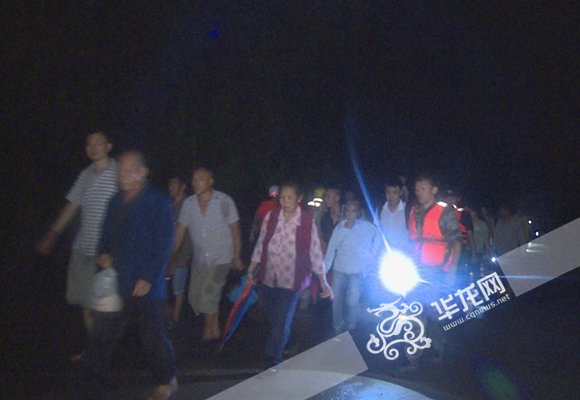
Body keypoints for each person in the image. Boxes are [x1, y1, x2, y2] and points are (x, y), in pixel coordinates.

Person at [83, 151, 177, 400]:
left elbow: (164, 243)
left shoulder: (158, 201)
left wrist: (149, 277)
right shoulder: (115, 201)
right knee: (102, 334)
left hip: (145, 284)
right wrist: (103, 253)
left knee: (152, 337)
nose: (120, 175)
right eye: (119, 170)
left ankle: (166, 381)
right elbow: (106, 234)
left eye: (127, 170)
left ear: (142, 172)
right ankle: (90, 384)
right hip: (118, 280)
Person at [35, 131, 118, 360]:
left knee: (104, 304)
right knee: (86, 303)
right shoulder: (85, 175)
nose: (93, 147)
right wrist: (53, 233)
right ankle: (95, 349)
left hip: (107, 251)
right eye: (89, 144)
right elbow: (72, 206)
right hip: (83, 248)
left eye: (98, 143)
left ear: (108, 146)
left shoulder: (119, 172)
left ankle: (104, 350)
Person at [248, 183, 333, 368]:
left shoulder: (306, 221)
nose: (284, 201)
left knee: (280, 324)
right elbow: (261, 243)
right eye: (282, 197)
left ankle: (272, 360)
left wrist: (323, 282)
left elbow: (315, 252)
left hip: (292, 282)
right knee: (275, 320)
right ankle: (286, 338)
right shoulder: (271, 217)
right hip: (268, 278)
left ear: (298, 199)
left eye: (289, 198)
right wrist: (251, 268)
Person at [173, 167, 244, 342]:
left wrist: (236, 257)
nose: (196, 183)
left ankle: (209, 331)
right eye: (194, 179)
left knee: (208, 294)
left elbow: (235, 231)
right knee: (195, 297)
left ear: (210, 181)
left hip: (221, 258)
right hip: (200, 258)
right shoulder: (189, 204)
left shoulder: (224, 201)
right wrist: (169, 255)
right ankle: (215, 322)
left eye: (201, 179)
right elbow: (180, 231)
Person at [406, 173, 462, 366]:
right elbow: (411, 239)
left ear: (433, 190)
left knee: (435, 313)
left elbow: (456, 242)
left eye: (423, 188)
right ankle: (413, 356)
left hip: (437, 270)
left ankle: (438, 348)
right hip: (416, 270)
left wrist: (452, 270)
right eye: (417, 188)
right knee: (414, 312)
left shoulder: (444, 211)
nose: (419, 192)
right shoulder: (414, 211)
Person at [324, 200, 381, 334]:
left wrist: (371, 256)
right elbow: (331, 249)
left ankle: (351, 323)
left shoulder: (366, 227)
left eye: (353, 211)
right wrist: (324, 270)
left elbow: (379, 235)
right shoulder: (339, 228)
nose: (350, 214)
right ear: (345, 212)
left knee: (353, 300)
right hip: (339, 269)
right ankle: (338, 326)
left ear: (358, 213)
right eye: (348, 211)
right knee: (336, 300)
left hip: (357, 270)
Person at [166, 175, 193, 326]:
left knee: (178, 288)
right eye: (170, 184)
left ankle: (175, 319)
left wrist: (175, 257)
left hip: (182, 253)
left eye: (174, 184)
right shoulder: (170, 205)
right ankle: (168, 314)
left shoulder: (187, 205)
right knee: (166, 285)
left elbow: (183, 234)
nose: (171, 187)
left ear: (183, 187)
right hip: (168, 252)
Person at [379, 177, 410, 253]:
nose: (391, 196)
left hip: (403, 254)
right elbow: (377, 233)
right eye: (388, 192)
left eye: (394, 193)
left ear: (400, 193)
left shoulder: (407, 210)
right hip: (384, 254)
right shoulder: (380, 210)